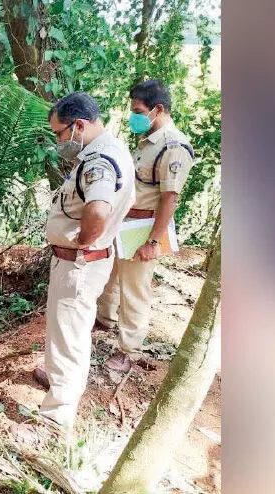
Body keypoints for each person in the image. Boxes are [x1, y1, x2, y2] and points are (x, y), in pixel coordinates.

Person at [31, 92, 135, 432]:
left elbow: (98, 209)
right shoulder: (111, 148)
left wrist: (82, 240)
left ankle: (57, 414)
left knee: (70, 333)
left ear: (79, 125)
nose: (58, 140)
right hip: (85, 261)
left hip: (80, 262)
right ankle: (61, 380)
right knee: (69, 330)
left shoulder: (99, 161)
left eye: (59, 133)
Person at [96, 80, 196, 372]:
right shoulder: (148, 140)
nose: (133, 117)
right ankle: (105, 320)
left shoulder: (173, 146)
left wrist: (153, 242)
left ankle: (129, 350)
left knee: (135, 289)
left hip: (143, 225)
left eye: (138, 111)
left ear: (158, 109)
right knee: (111, 277)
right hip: (123, 221)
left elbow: (169, 198)